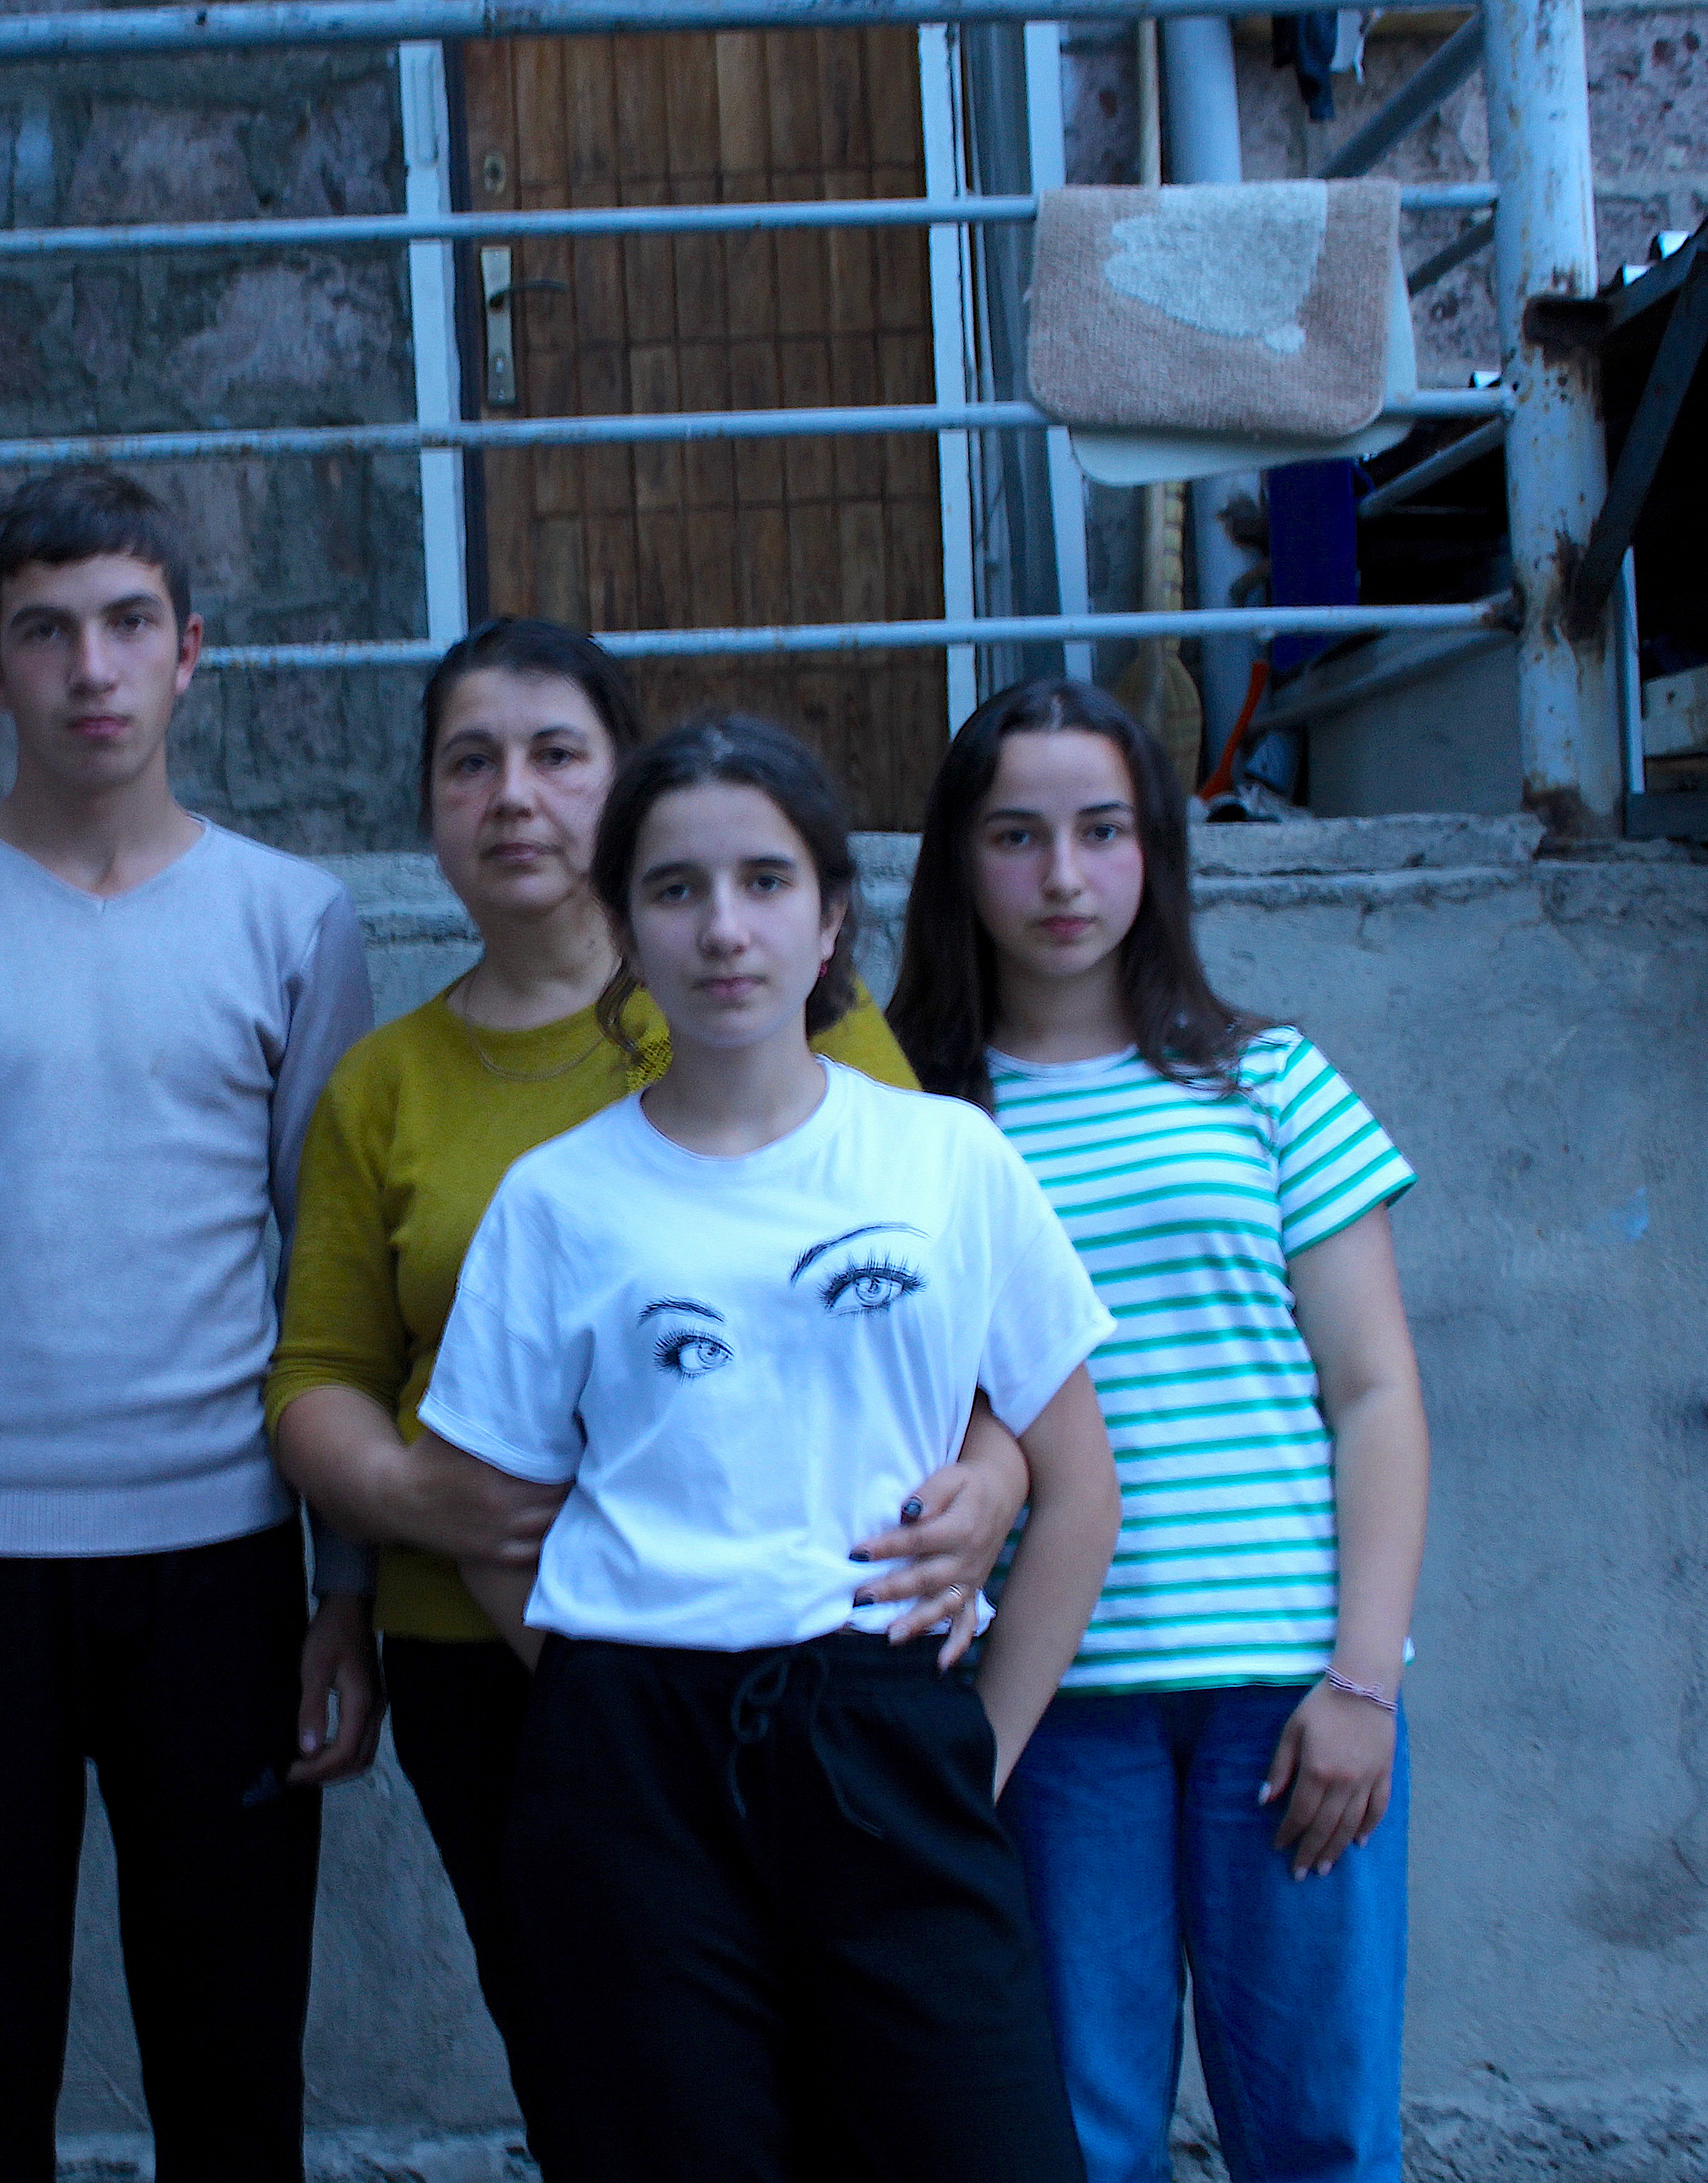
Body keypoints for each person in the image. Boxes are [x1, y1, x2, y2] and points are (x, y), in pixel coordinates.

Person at [268, 619, 1037, 2150]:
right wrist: (413, 1506)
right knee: (623, 2105)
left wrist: (1004, 1470)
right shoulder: (390, 1087)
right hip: (509, 1658)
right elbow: (320, 1376)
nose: (512, 797)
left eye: (557, 755)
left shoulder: (808, 1030)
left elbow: (927, 1299)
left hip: (819, 1670)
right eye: (469, 763)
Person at [410, 714, 1124, 2183]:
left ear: (831, 917)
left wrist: (974, 1745)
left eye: (764, 882)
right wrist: (630, 1693)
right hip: (629, 1773)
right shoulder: (558, 1206)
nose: (722, 929)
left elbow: (1081, 1486)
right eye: (675, 890)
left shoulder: (946, 1162)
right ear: (624, 925)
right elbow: (495, 1525)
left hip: (893, 1730)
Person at [0, 469, 380, 2182]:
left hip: (223, 1565)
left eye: (127, 626)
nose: (90, 670)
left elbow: (323, 1283)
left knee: (234, 2069)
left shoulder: (291, 919)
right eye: (45, 633)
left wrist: (346, 1594)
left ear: (193, 654)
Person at [889, 678, 1428, 2183]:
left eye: (1102, 832)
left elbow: (1375, 1394)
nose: (1063, 878)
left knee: (1318, 2130)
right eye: (1016, 836)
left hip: (1287, 1698)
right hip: (1051, 1704)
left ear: (1155, 853)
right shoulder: (908, 1114)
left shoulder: (1268, 1082)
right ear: (957, 860)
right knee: (1077, 2134)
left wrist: (1364, 1683)